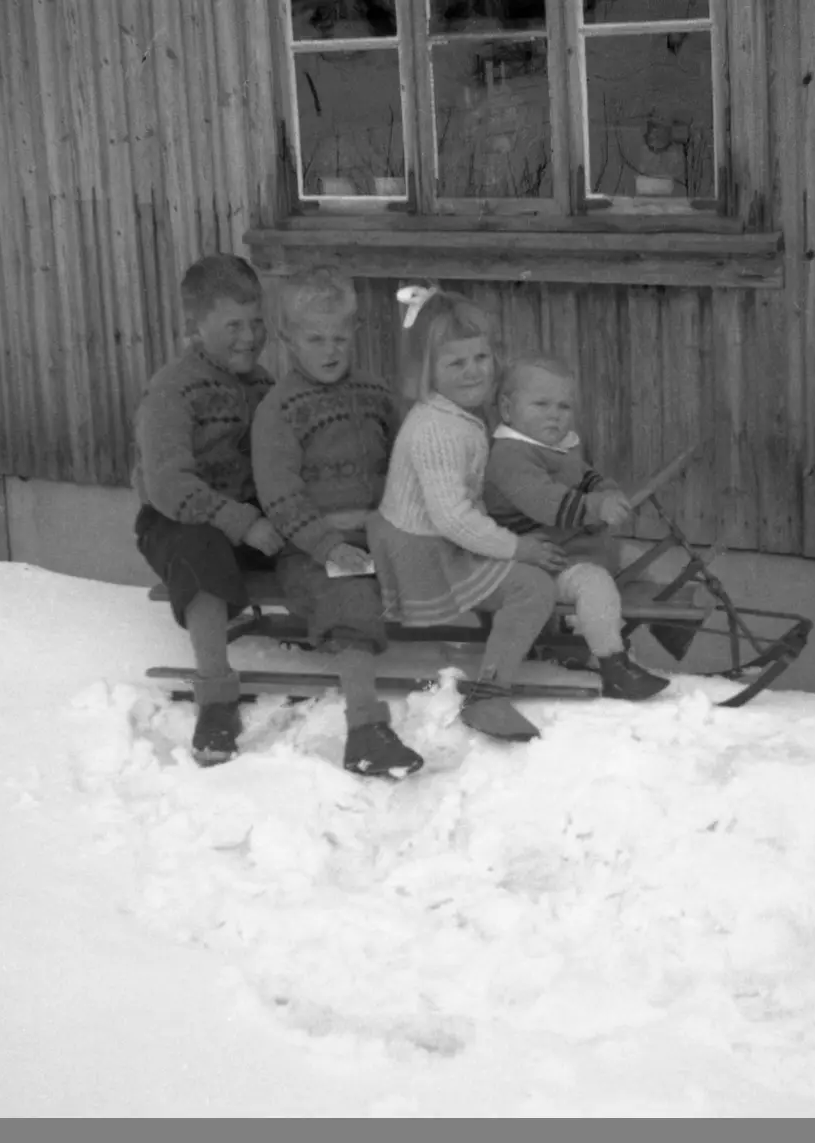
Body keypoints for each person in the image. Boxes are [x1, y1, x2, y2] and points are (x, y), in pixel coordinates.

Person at [366, 286, 565, 743]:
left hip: (441, 534)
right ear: (427, 371)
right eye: (456, 363)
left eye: (481, 357)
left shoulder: (458, 414)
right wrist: (516, 547)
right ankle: (489, 697)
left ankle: (512, 645)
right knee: (532, 586)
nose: (473, 371)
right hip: (426, 549)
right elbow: (452, 518)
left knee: (523, 559)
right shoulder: (435, 430)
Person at [251, 269, 424, 778]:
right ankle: (365, 729)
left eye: (339, 338)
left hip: (381, 533)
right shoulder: (278, 410)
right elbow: (279, 496)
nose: (330, 350)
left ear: (355, 334)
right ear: (288, 341)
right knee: (350, 596)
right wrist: (327, 546)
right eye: (315, 338)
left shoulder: (374, 393)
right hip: (312, 548)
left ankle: (494, 678)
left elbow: (404, 460)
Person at [132, 254, 284, 766]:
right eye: (233, 326)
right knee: (201, 551)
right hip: (177, 519)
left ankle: (340, 634)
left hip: (250, 519)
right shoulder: (172, 390)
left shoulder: (264, 387)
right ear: (194, 327)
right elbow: (169, 485)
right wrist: (242, 523)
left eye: (257, 322)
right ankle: (216, 697)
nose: (249, 336)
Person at [482, 353, 669, 701]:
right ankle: (613, 664)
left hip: (578, 545)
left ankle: (666, 625)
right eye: (541, 404)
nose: (555, 414)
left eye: (564, 406)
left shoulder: (557, 446)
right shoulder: (509, 456)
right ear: (508, 410)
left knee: (639, 561)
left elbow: (583, 473)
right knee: (594, 585)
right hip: (545, 558)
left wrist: (604, 488)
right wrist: (596, 506)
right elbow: (546, 501)